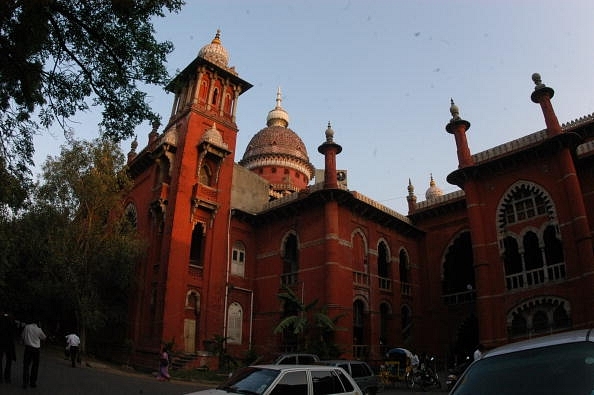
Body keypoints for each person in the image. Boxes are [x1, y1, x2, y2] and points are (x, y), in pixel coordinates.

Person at [21, 319, 46, 389]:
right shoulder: (39, 329)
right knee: (35, 366)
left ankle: (25, 382)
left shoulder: (27, 327)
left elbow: (22, 336)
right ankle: (33, 382)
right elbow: (44, 337)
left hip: (28, 348)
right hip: (36, 349)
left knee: (26, 365)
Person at [0, 311, 17, 383]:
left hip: (1, 342)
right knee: (9, 361)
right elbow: (14, 332)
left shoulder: (1, 319)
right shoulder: (12, 320)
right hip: (9, 343)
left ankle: (0, 377)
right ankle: (7, 377)